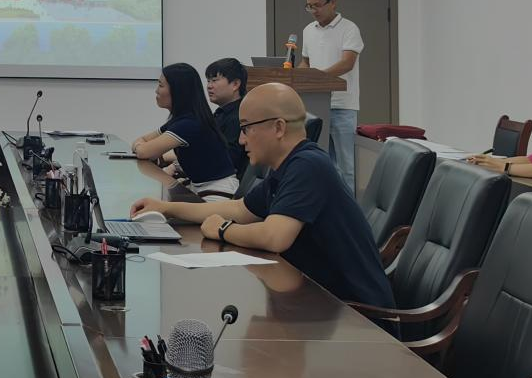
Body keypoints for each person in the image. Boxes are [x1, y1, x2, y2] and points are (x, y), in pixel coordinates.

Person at [129, 83, 394, 308]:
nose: (241, 140)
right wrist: (166, 208)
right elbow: (238, 209)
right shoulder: (288, 167)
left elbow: (274, 236)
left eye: (246, 128)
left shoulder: (308, 166)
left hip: (359, 317)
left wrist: (223, 229)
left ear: (278, 128)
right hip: (320, 303)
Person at [130, 63, 238, 199]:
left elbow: (144, 151)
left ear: (178, 91)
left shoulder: (188, 124)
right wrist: (140, 146)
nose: (156, 91)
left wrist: (139, 147)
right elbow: (142, 141)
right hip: (201, 188)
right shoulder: (182, 119)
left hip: (217, 193)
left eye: (161, 85)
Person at [297, 0, 363, 193]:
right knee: (322, 163)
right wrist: (297, 76)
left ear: (332, 2)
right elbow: (306, 61)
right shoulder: (308, 30)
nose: (313, 11)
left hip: (342, 105)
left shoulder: (349, 28)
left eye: (317, 5)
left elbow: (347, 63)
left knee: (346, 167)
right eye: (309, 6)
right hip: (316, 105)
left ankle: (349, 209)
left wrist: (318, 77)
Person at [205, 57, 249, 179]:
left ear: (235, 84)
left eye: (214, 80)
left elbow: (227, 160)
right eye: (208, 81)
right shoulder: (221, 113)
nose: (209, 86)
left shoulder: (238, 116)